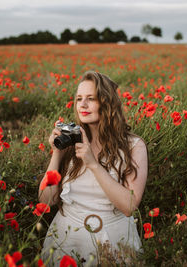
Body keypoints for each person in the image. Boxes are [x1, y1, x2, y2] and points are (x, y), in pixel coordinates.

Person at [38, 71, 148, 266]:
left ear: (106, 103)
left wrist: (92, 164)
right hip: (65, 237)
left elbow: (130, 206)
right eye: (79, 99)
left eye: (91, 99)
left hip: (113, 240)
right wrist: (57, 153)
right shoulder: (72, 140)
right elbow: (46, 201)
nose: (83, 105)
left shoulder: (134, 146)